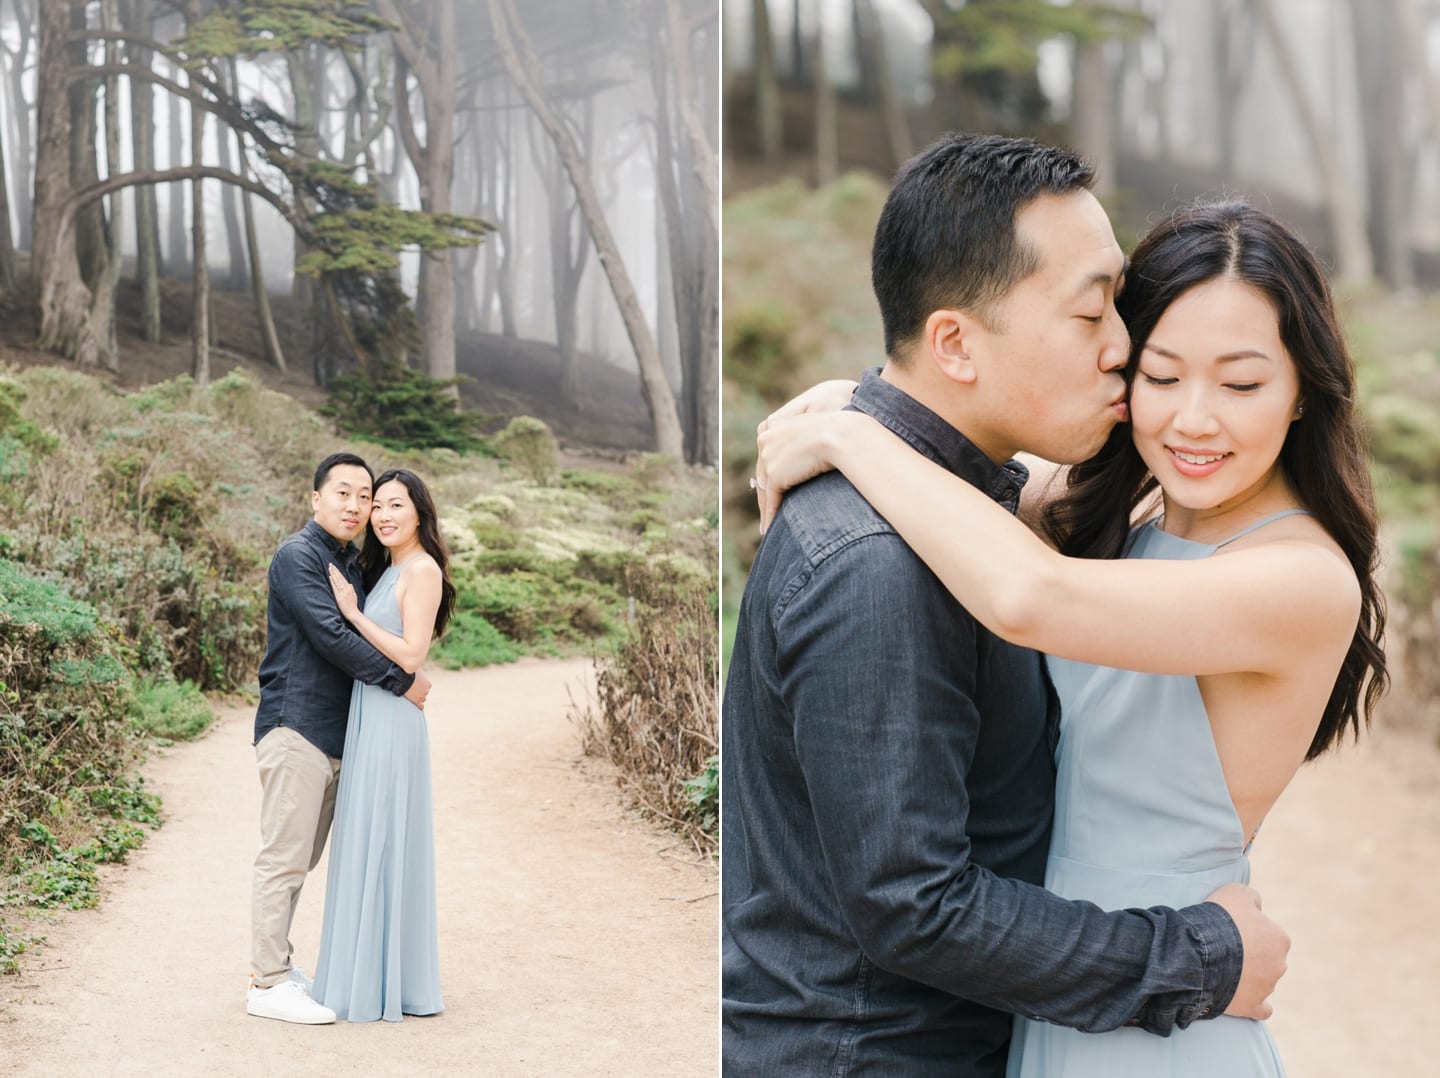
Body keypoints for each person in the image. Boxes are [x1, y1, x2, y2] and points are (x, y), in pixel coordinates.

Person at [751, 198, 1388, 1076]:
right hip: (1059, 978)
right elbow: (972, 463)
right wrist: (862, 404)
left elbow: (1027, 593)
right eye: (1161, 377)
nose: (1194, 421)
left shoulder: (1300, 580)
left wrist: (847, 434)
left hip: (1161, 1007)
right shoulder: (1134, 515)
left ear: (1302, 394)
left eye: (1241, 385)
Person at [248, 452, 431, 1025]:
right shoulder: (299, 556)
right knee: (284, 856)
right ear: (316, 499)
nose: (356, 507)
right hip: (295, 725)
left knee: (304, 856)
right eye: (345, 494)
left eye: (366, 497)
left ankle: (279, 967)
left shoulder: (352, 565)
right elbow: (330, 634)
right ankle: (266, 981)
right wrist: (403, 681)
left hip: (337, 736)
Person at [310, 468, 454, 1022]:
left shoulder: (421, 570)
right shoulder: (385, 569)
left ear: (420, 512)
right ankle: (363, 975)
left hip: (394, 719)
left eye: (397, 504)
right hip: (371, 715)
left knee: (386, 838)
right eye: (378, 506)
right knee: (367, 836)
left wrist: (349, 615)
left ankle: (388, 983)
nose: (385, 515)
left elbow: (412, 655)